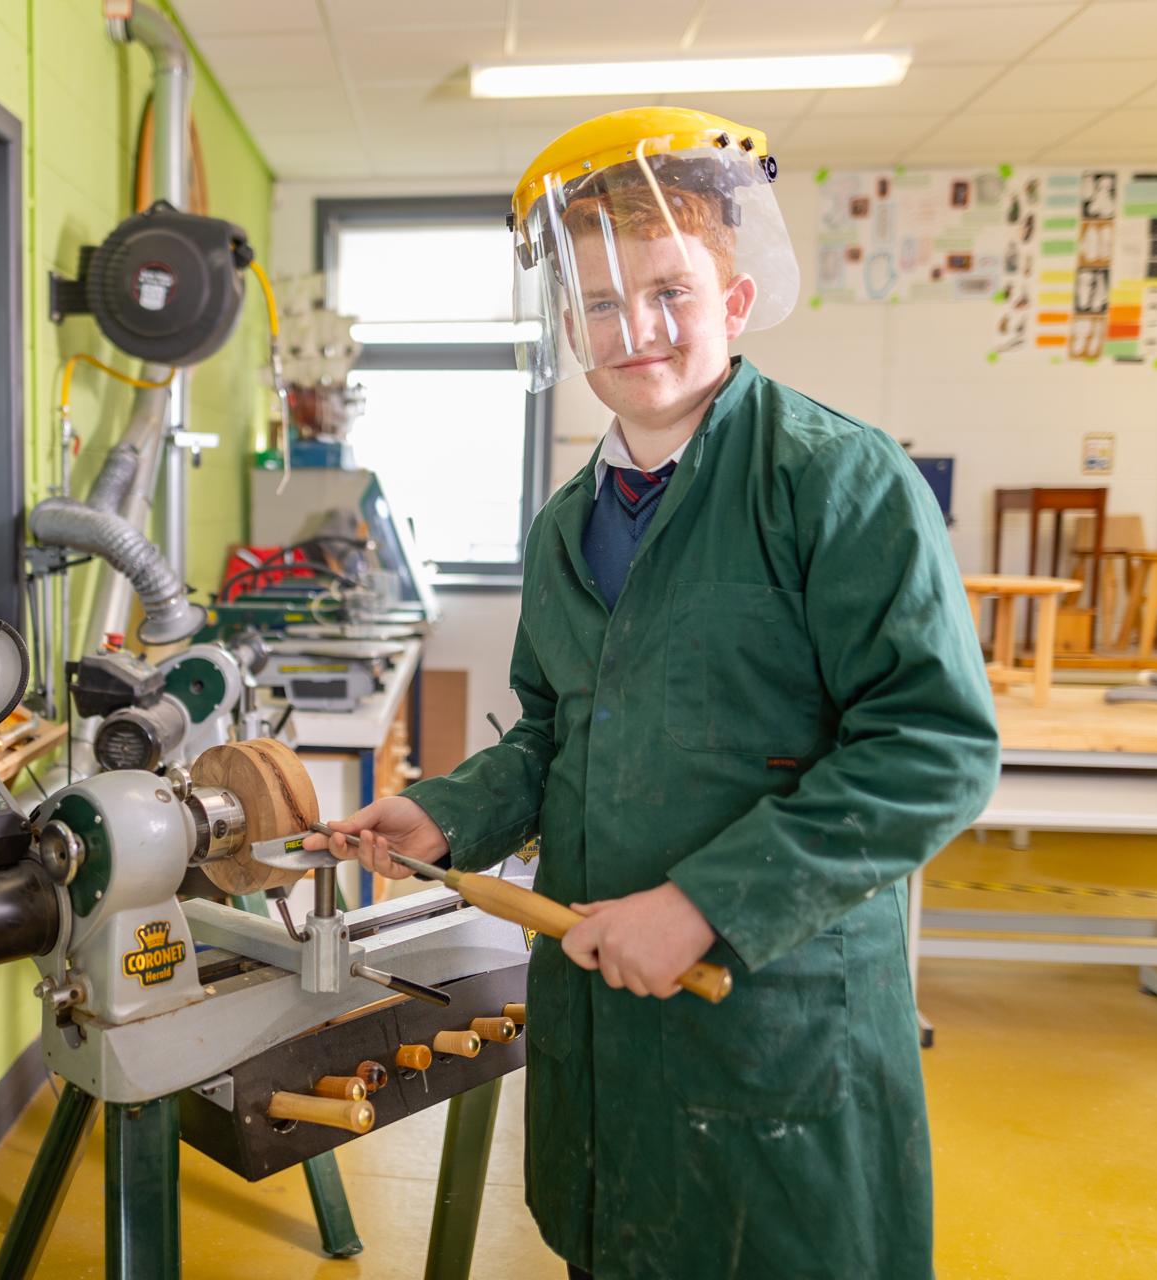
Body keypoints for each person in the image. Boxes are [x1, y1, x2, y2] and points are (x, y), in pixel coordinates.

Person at [307, 107, 999, 1278]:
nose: (635, 329)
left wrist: (704, 903)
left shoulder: (836, 479)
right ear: (568, 324)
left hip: (768, 1019)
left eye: (670, 292)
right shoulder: (566, 524)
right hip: (601, 1032)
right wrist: (447, 811)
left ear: (736, 301)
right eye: (600, 303)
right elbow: (555, 729)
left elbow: (933, 746)